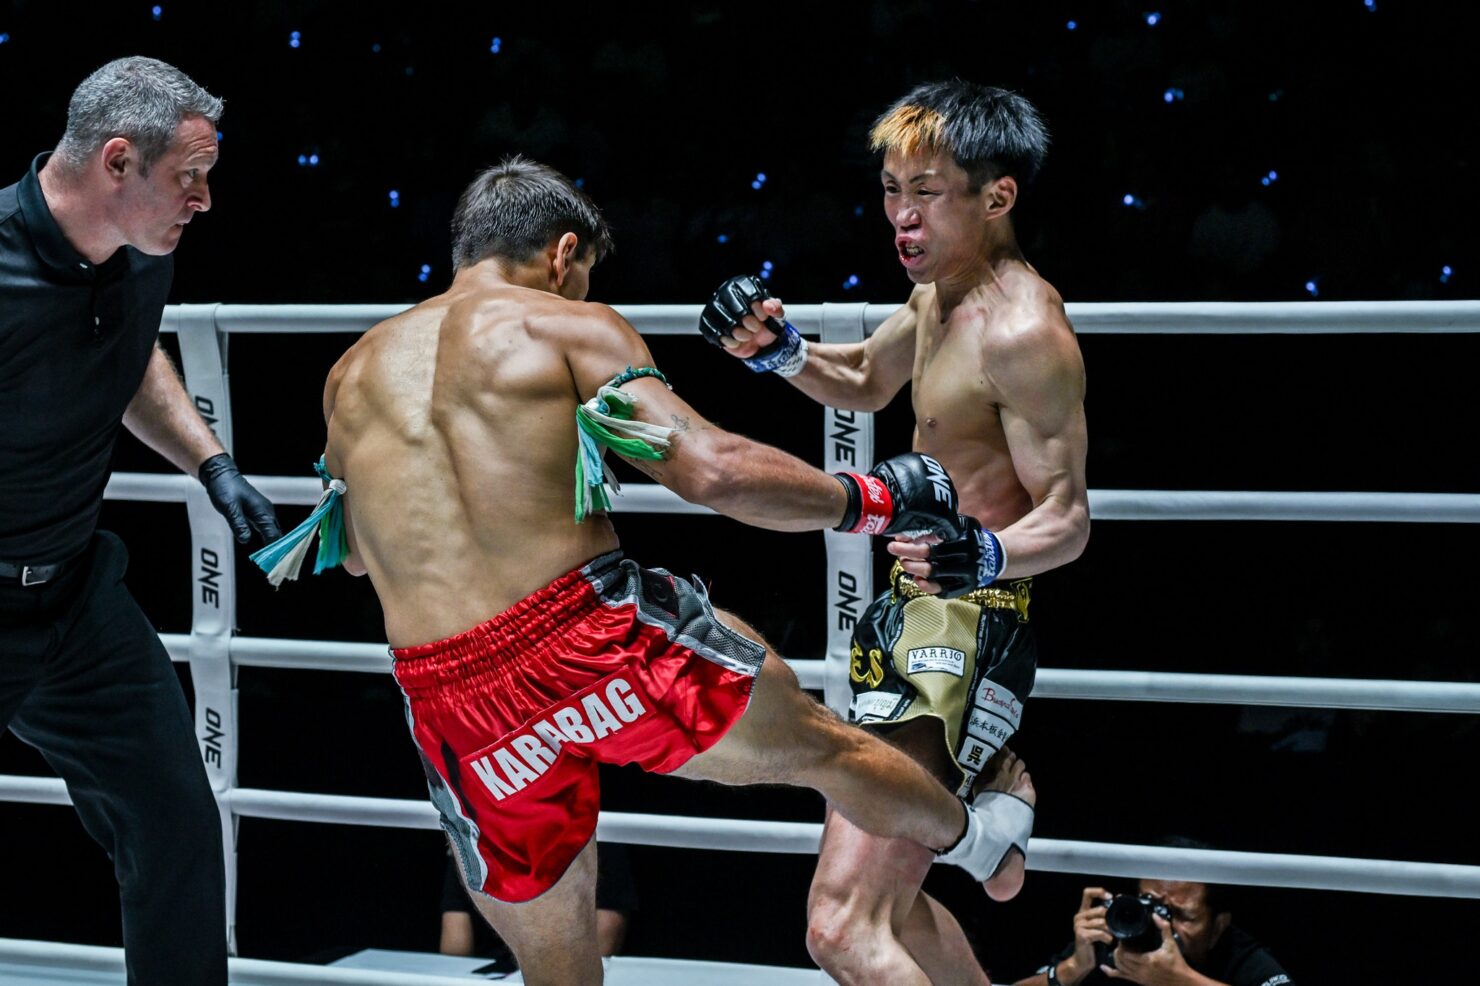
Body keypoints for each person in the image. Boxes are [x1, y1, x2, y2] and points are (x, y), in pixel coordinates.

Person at [252, 155, 1038, 986]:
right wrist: (870, 500)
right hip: (584, 636)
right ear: (563, 255)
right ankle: (981, 841)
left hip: (450, 694)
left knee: (556, 962)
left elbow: (351, 556)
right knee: (824, 747)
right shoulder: (568, 327)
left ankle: (980, 844)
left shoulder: (351, 373)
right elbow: (713, 472)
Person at [701, 79, 1090, 984]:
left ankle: (990, 827)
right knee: (893, 907)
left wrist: (984, 552)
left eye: (927, 192)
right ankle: (987, 832)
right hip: (911, 611)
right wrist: (777, 351)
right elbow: (865, 382)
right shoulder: (936, 297)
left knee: (843, 926)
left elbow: (1068, 518)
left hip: (964, 626)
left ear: (997, 196)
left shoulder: (1022, 330)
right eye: (890, 190)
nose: (901, 216)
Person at [0, 57, 281, 985]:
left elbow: (129, 354)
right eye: (189, 176)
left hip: (76, 596)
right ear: (117, 161)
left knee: (176, 827)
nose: (204, 200)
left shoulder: (138, 253)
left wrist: (214, 465)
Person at [1014, 872, 1295, 986]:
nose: (1163, 925)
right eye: (1152, 907)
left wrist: (1182, 980)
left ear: (1218, 926)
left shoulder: (1236, 952)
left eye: (1182, 915)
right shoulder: (1114, 935)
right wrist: (1072, 968)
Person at [439, 841, 638, 967]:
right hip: (489, 973)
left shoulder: (596, 835)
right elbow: (455, 944)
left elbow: (606, 937)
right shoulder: (473, 837)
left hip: (566, 972)